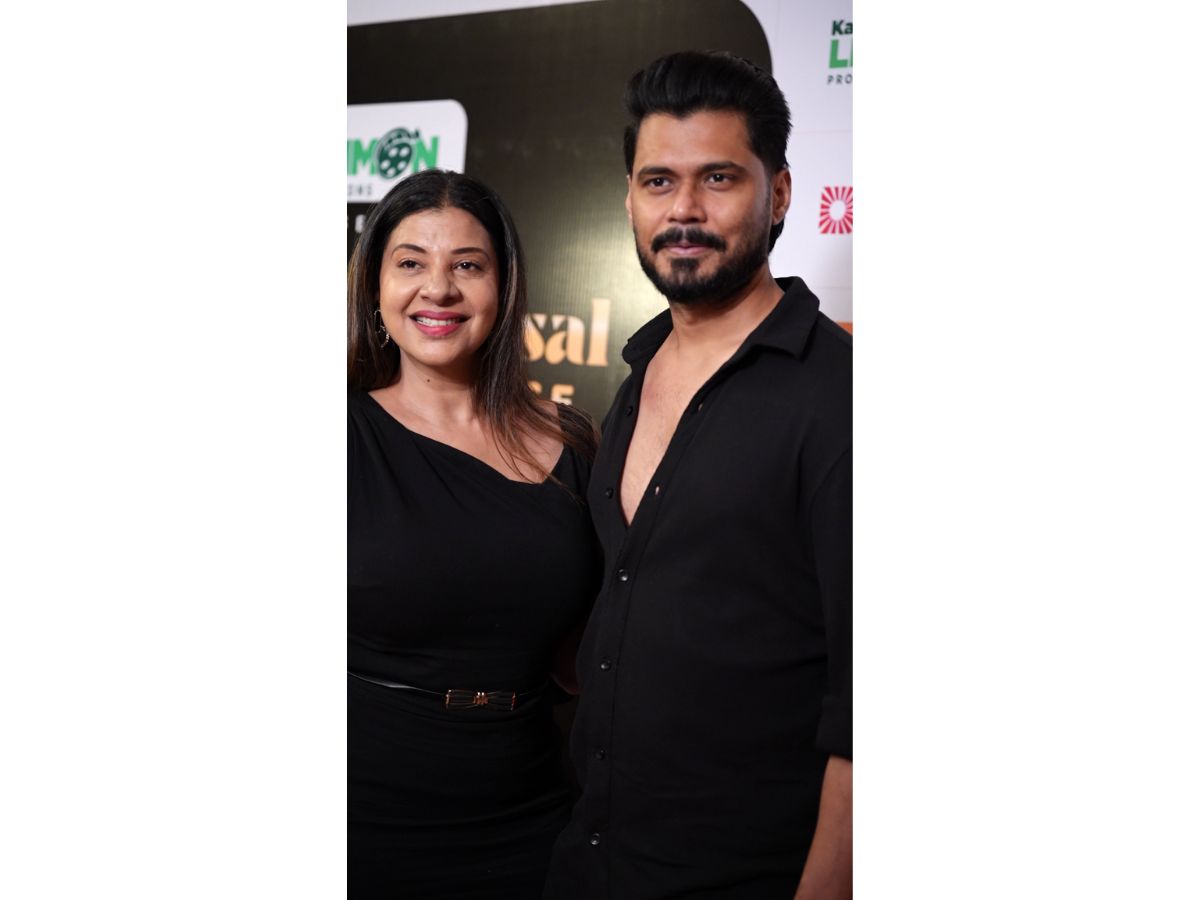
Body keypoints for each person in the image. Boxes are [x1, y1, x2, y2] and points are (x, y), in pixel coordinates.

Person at [544, 52, 852, 899]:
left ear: (779, 194)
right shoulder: (638, 373)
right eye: (658, 182)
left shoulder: (841, 397)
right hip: (592, 862)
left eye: (718, 178)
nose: (683, 209)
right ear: (630, 199)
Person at [347, 168, 600, 899]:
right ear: (375, 286)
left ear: (504, 286)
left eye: (467, 265)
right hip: (362, 817)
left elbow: (591, 650)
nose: (438, 289)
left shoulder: (573, 441)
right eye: (410, 263)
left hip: (532, 813)